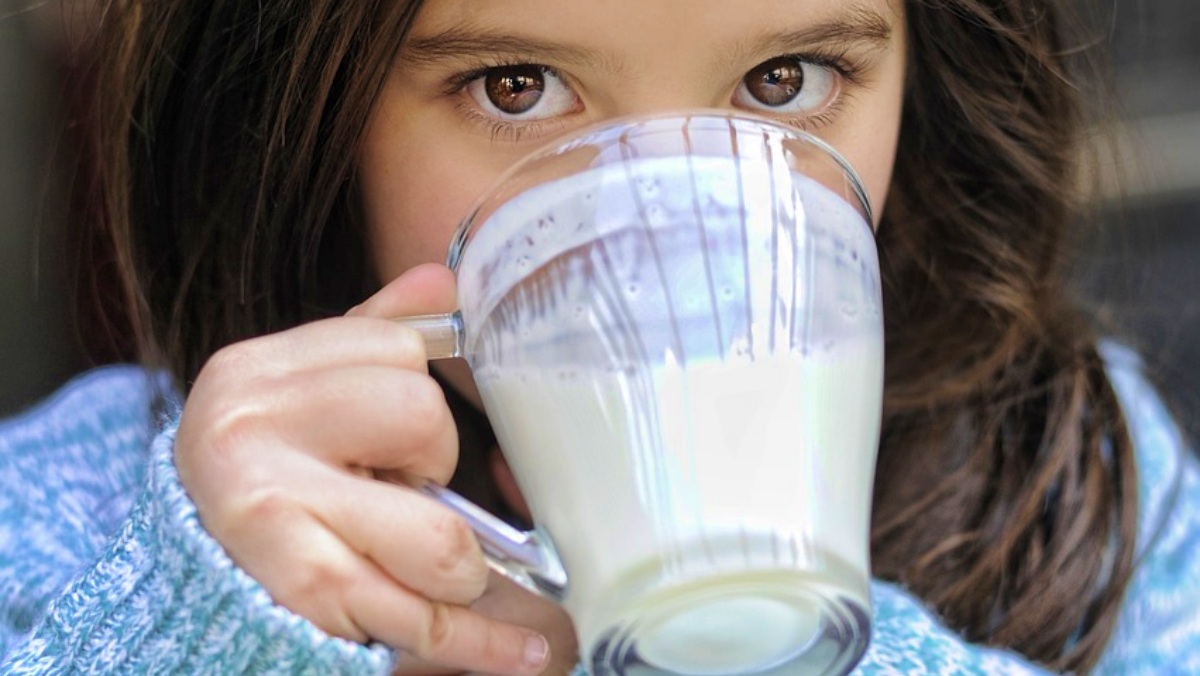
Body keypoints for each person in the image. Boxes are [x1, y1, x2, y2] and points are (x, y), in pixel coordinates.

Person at [1, 0, 1197, 673]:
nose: (662, 252)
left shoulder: (1089, 488)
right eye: (517, 88)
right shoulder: (76, 525)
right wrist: (204, 633)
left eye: (783, 81)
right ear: (316, 114)